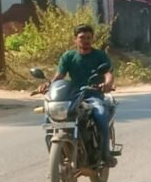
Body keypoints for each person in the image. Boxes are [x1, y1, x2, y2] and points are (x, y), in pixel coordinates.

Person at [40, 24, 116, 167]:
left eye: (89, 38)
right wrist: (48, 84)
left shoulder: (100, 55)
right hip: (73, 96)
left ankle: (105, 154)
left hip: (93, 95)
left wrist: (107, 84)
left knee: (100, 115)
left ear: (92, 39)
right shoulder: (68, 56)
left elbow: (108, 74)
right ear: (75, 39)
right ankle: (56, 157)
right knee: (49, 117)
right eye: (82, 38)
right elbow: (60, 76)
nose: (86, 41)